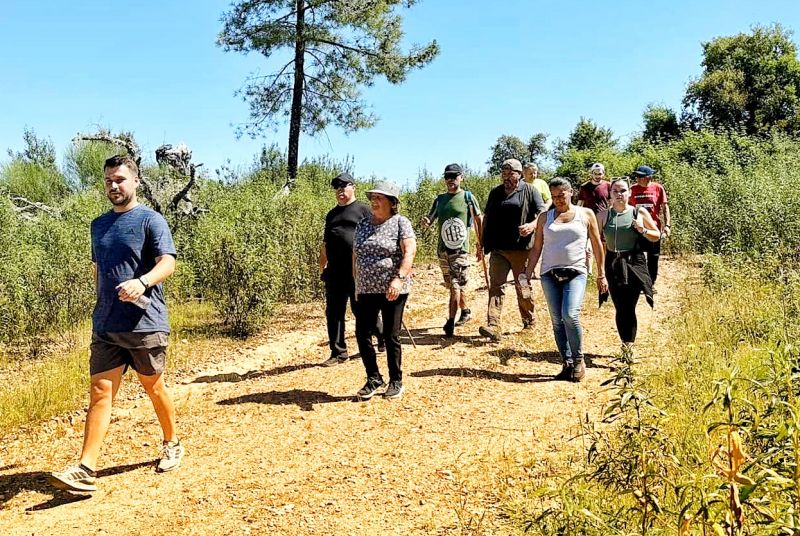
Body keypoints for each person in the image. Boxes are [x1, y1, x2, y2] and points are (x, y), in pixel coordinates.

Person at [49, 155, 183, 493]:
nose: (114, 185)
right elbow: (99, 269)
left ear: (136, 181)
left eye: (120, 179)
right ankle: (85, 468)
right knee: (99, 392)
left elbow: (168, 263)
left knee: (154, 387)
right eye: (109, 180)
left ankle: (172, 442)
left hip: (144, 322)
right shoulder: (98, 225)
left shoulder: (151, 220)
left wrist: (143, 282)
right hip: (106, 324)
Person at [525, 177, 608, 382]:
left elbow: (597, 245)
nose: (558, 200)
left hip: (576, 272)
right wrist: (526, 274)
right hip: (549, 273)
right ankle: (567, 362)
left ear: (571, 192)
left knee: (570, 314)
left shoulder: (586, 214)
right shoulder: (545, 217)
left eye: (561, 195)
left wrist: (601, 273)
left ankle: (579, 360)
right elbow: (537, 248)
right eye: (554, 197)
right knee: (557, 321)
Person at [353, 180, 417, 400]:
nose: (374, 201)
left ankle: (396, 380)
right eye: (372, 197)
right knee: (362, 333)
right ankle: (373, 377)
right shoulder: (363, 224)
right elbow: (356, 254)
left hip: (393, 288)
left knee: (390, 335)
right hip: (366, 289)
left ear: (392, 202)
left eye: (379, 198)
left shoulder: (401, 223)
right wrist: (356, 284)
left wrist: (399, 279)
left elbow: (409, 252)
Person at [319, 172, 383, 366]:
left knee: (363, 310)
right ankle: (338, 352)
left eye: (343, 185)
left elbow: (377, 236)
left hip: (358, 271)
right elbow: (324, 244)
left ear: (353, 186)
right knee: (334, 312)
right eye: (336, 187)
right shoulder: (331, 214)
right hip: (335, 271)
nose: (340, 189)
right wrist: (322, 267)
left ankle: (381, 336)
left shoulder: (363, 210)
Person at [478, 158, 546, 341]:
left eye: (511, 173)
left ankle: (529, 320)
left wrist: (532, 225)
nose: (506, 177)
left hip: (520, 249)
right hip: (498, 249)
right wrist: (482, 242)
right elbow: (487, 217)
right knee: (496, 286)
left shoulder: (530, 191)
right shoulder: (496, 193)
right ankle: (494, 325)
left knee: (522, 285)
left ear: (520, 174)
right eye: (504, 173)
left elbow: (542, 212)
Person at [420, 163, 483, 337]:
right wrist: (425, 222)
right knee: (453, 285)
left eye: (454, 176)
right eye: (447, 177)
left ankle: (449, 321)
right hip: (442, 250)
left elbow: (478, 220)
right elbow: (430, 219)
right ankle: (465, 310)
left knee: (456, 285)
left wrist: (480, 243)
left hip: (460, 251)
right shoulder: (440, 199)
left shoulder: (468, 198)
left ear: (461, 177)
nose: (450, 180)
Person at [601, 178, 659, 348]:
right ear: (610, 194)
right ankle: (625, 342)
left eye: (623, 191)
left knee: (629, 305)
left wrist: (643, 230)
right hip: (613, 263)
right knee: (620, 306)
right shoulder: (603, 215)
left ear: (630, 193)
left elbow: (656, 234)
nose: (619, 194)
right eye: (615, 191)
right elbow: (596, 241)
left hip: (634, 262)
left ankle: (629, 346)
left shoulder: (638, 213)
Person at [629, 165, 671, 285]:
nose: (637, 178)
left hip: (654, 229)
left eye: (640, 176)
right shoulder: (632, 189)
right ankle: (638, 282)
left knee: (653, 258)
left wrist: (667, 225)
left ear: (648, 177)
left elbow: (664, 207)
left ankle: (650, 284)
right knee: (637, 257)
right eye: (636, 176)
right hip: (636, 229)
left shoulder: (658, 188)